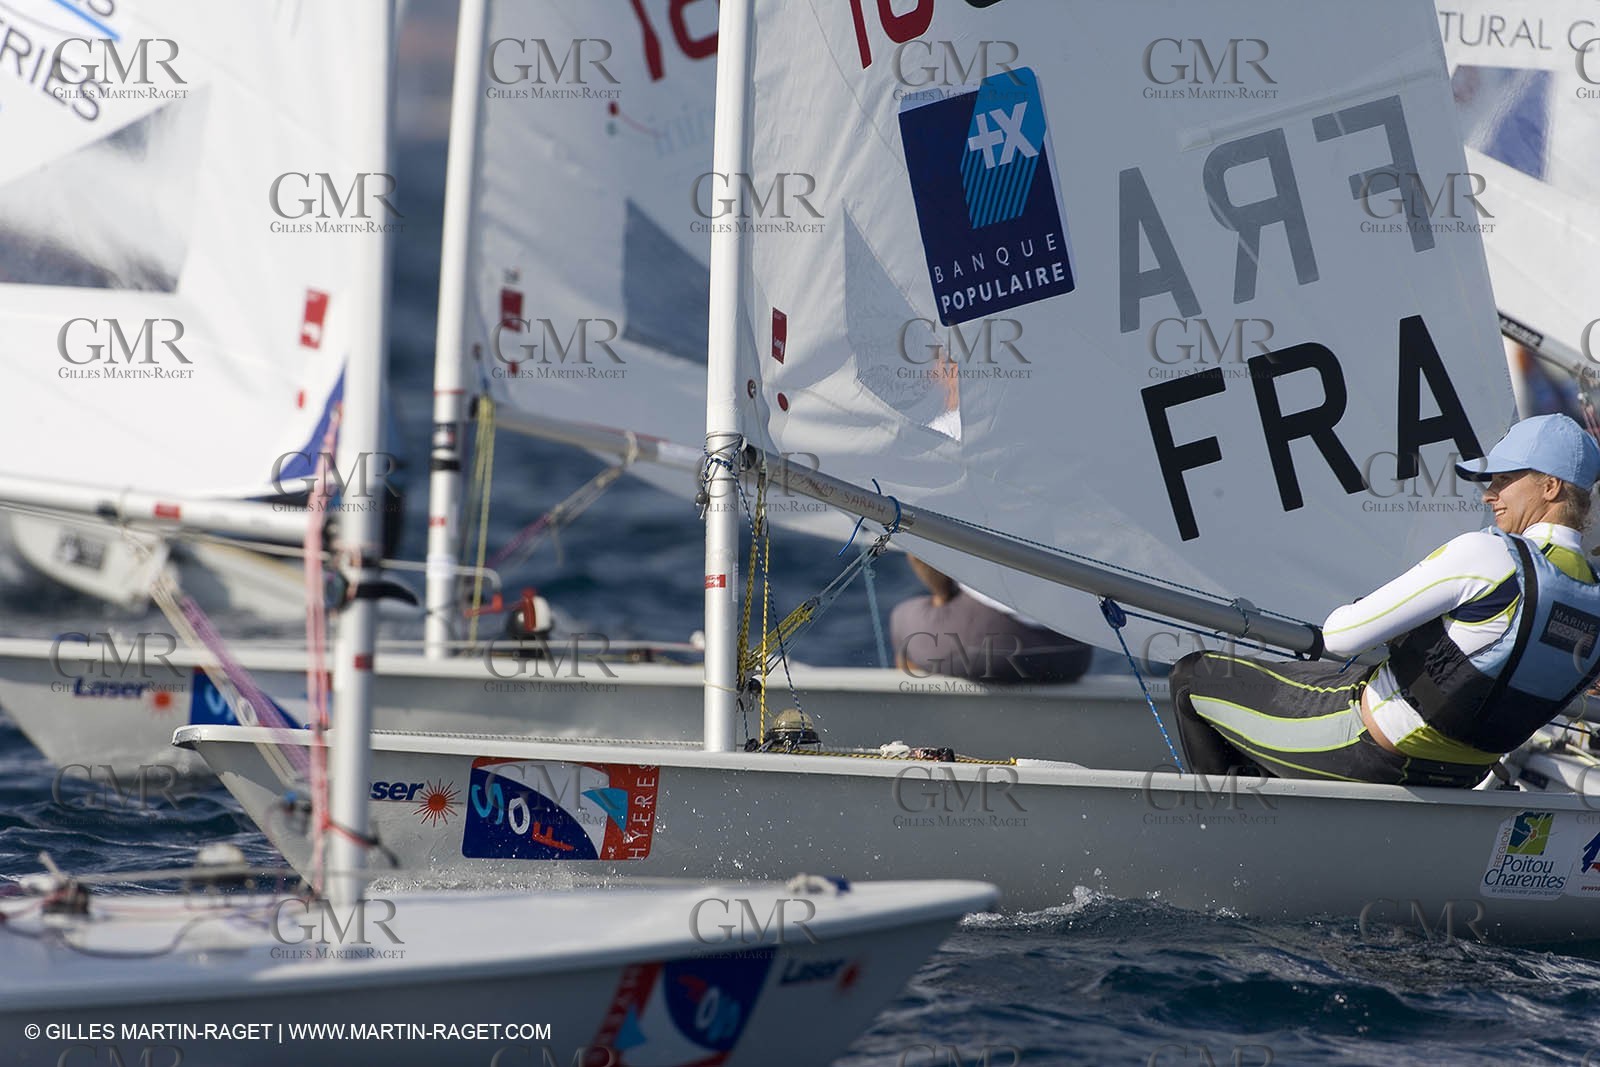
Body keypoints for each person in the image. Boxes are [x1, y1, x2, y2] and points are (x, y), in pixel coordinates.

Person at [1171, 413, 1600, 787]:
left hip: (1366, 748)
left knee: (1191, 677)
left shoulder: (1488, 555)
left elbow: (1340, 637)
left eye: (1504, 480)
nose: (1489, 495)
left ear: (1550, 487)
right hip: (1467, 774)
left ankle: (1231, 847)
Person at [890, 555, 1093, 684]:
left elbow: (921, 553)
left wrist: (942, 597)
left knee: (902, 618)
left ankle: (921, 739)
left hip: (990, 647)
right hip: (1074, 650)